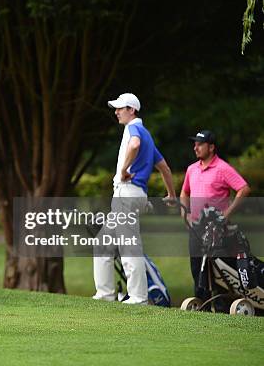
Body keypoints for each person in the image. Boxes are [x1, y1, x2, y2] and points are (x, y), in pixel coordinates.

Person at [93, 93, 176, 305]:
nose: (117, 111)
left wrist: (124, 169)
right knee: (103, 244)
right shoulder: (147, 134)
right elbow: (164, 167)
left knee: (129, 247)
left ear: (132, 110)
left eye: (121, 108)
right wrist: (171, 194)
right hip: (134, 196)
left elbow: (134, 145)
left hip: (127, 194)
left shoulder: (134, 129)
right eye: (117, 108)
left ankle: (138, 297)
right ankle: (105, 295)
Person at [180, 130, 250, 303]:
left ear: (211, 147)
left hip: (218, 228)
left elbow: (244, 189)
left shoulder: (223, 168)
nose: (195, 147)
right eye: (194, 144)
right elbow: (184, 191)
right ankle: (201, 306)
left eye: (200, 144)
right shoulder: (192, 169)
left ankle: (222, 308)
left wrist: (227, 213)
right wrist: (185, 212)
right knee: (197, 269)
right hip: (196, 227)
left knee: (219, 270)